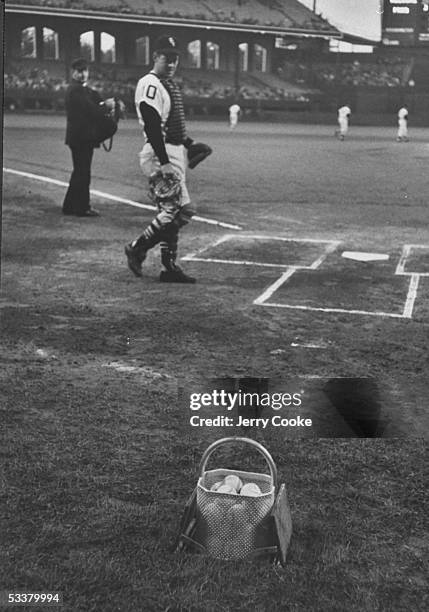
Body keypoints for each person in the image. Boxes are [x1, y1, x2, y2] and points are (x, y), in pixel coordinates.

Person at [125, 36, 200, 283]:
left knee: (180, 210)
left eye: (175, 59)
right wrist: (165, 160)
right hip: (161, 152)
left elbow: (170, 124)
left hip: (172, 150)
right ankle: (138, 247)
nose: (171, 63)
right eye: (167, 58)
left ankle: (168, 267)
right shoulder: (150, 83)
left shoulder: (165, 83)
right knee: (176, 209)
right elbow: (153, 125)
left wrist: (190, 144)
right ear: (156, 56)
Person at [62, 58, 116, 217]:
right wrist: (107, 106)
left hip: (80, 137)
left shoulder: (81, 90)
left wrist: (106, 105)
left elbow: (93, 103)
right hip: (82, 138)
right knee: (83, 173)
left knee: (79, 172)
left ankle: (70, 206)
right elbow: (91, 111)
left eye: (85, 70)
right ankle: (82, 207)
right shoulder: (76, 90)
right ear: (73, 72)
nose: (82, 74)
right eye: (79, 71)